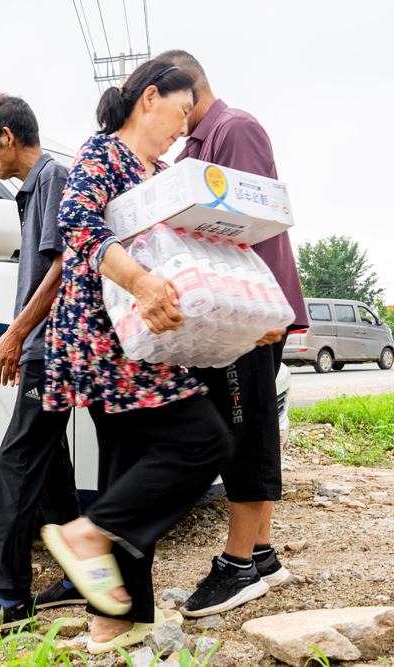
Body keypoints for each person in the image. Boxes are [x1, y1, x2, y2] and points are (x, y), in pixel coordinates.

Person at [38, 58, 265, 655]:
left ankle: (115, 619)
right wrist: (140, 284)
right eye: (181, 112)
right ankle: (88, 533)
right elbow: (80, 231)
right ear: (150, 98)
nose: (184, 126)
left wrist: (250, 315)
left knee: (125, 465)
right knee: (205, 442)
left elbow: (192, 250)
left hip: (148, 335)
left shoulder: (160, 171)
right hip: (106, 334)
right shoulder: (101, 155)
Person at [160, 49, 308, 617]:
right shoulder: (198, 145)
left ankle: (238, 565)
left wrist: (264, 315)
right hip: (230, 317)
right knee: (240, 428)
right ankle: (263, 554)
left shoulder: (234, 129)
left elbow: (255, 226)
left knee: (242, 435)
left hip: (248, 319)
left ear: (186, 94)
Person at [0, 95, 84, 635]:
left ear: (7, 135)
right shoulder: (36, 188)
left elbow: (63, 265)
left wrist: (16, 333)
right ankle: (79, 576)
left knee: (15, 462)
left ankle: (10, 597)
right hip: (45, 347)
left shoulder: (52, 176)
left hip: (49, 348)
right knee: (50, 465)